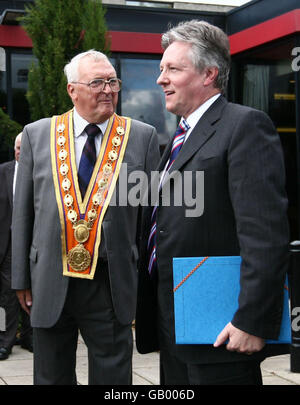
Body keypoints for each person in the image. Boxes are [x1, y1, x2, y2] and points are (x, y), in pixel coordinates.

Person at [135, 20, 290, 385]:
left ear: (209, 74)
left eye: (173, 69)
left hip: (222, 329)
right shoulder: (180, 137)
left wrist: (251, 320)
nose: (161, 79)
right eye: (161, 69)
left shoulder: (245, 126)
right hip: (176, 325)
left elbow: (264, 234)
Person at [11, 50, 160, 384]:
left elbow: (149, 218)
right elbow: (23, 214)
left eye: (112, 81)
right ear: (72, 90)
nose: (107, 89)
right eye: (97, 82)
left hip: (110, 281)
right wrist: (20, 278)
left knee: (114, 377)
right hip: (49, 277)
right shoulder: (37, 135)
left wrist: (145, 282)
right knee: (51, 374)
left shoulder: (141, 136)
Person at [0, 133, 33, 361]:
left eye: (24, 147)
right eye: (18, 147)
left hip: (32, 242)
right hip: (7, 244)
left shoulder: (40, 171)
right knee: (6, 297)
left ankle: (31, 339)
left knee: (33, 292)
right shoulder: (2, 172)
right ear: (14, 150)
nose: (21, 151)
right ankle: (5, 341)